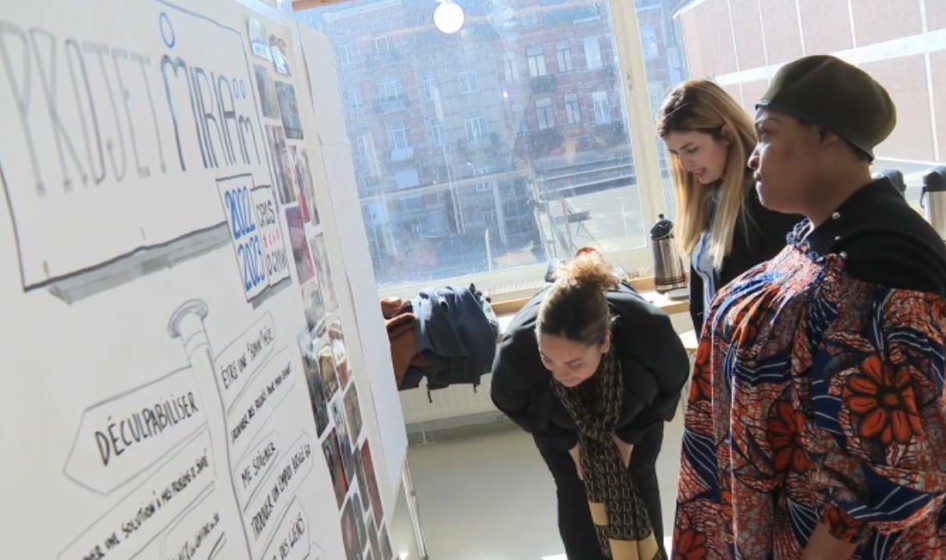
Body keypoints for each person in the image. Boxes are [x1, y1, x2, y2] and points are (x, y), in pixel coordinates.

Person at [673, 54, 946, 559]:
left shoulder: (884, 262)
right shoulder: (817, 235)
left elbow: (898, 473)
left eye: (768, 134)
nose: (753, 157)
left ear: (828, 137)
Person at [491, 252, 689, 560]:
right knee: (574, 486)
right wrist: (568, 444)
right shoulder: (519, 347)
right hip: (558, 420)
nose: (560, 373)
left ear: (605, 342)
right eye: (548, 360)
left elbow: (672, 379)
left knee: (637, 475)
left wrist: (630, 437)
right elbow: (508, 399)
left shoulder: (647, 329)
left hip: (635, 410)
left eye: (574, 363)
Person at [656, 80, 799, 332]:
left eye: (692, 149)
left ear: (726, 135)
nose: (685, 165)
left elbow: (786, 301)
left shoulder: (768, 199)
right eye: (676, 153)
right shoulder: (710, 200)